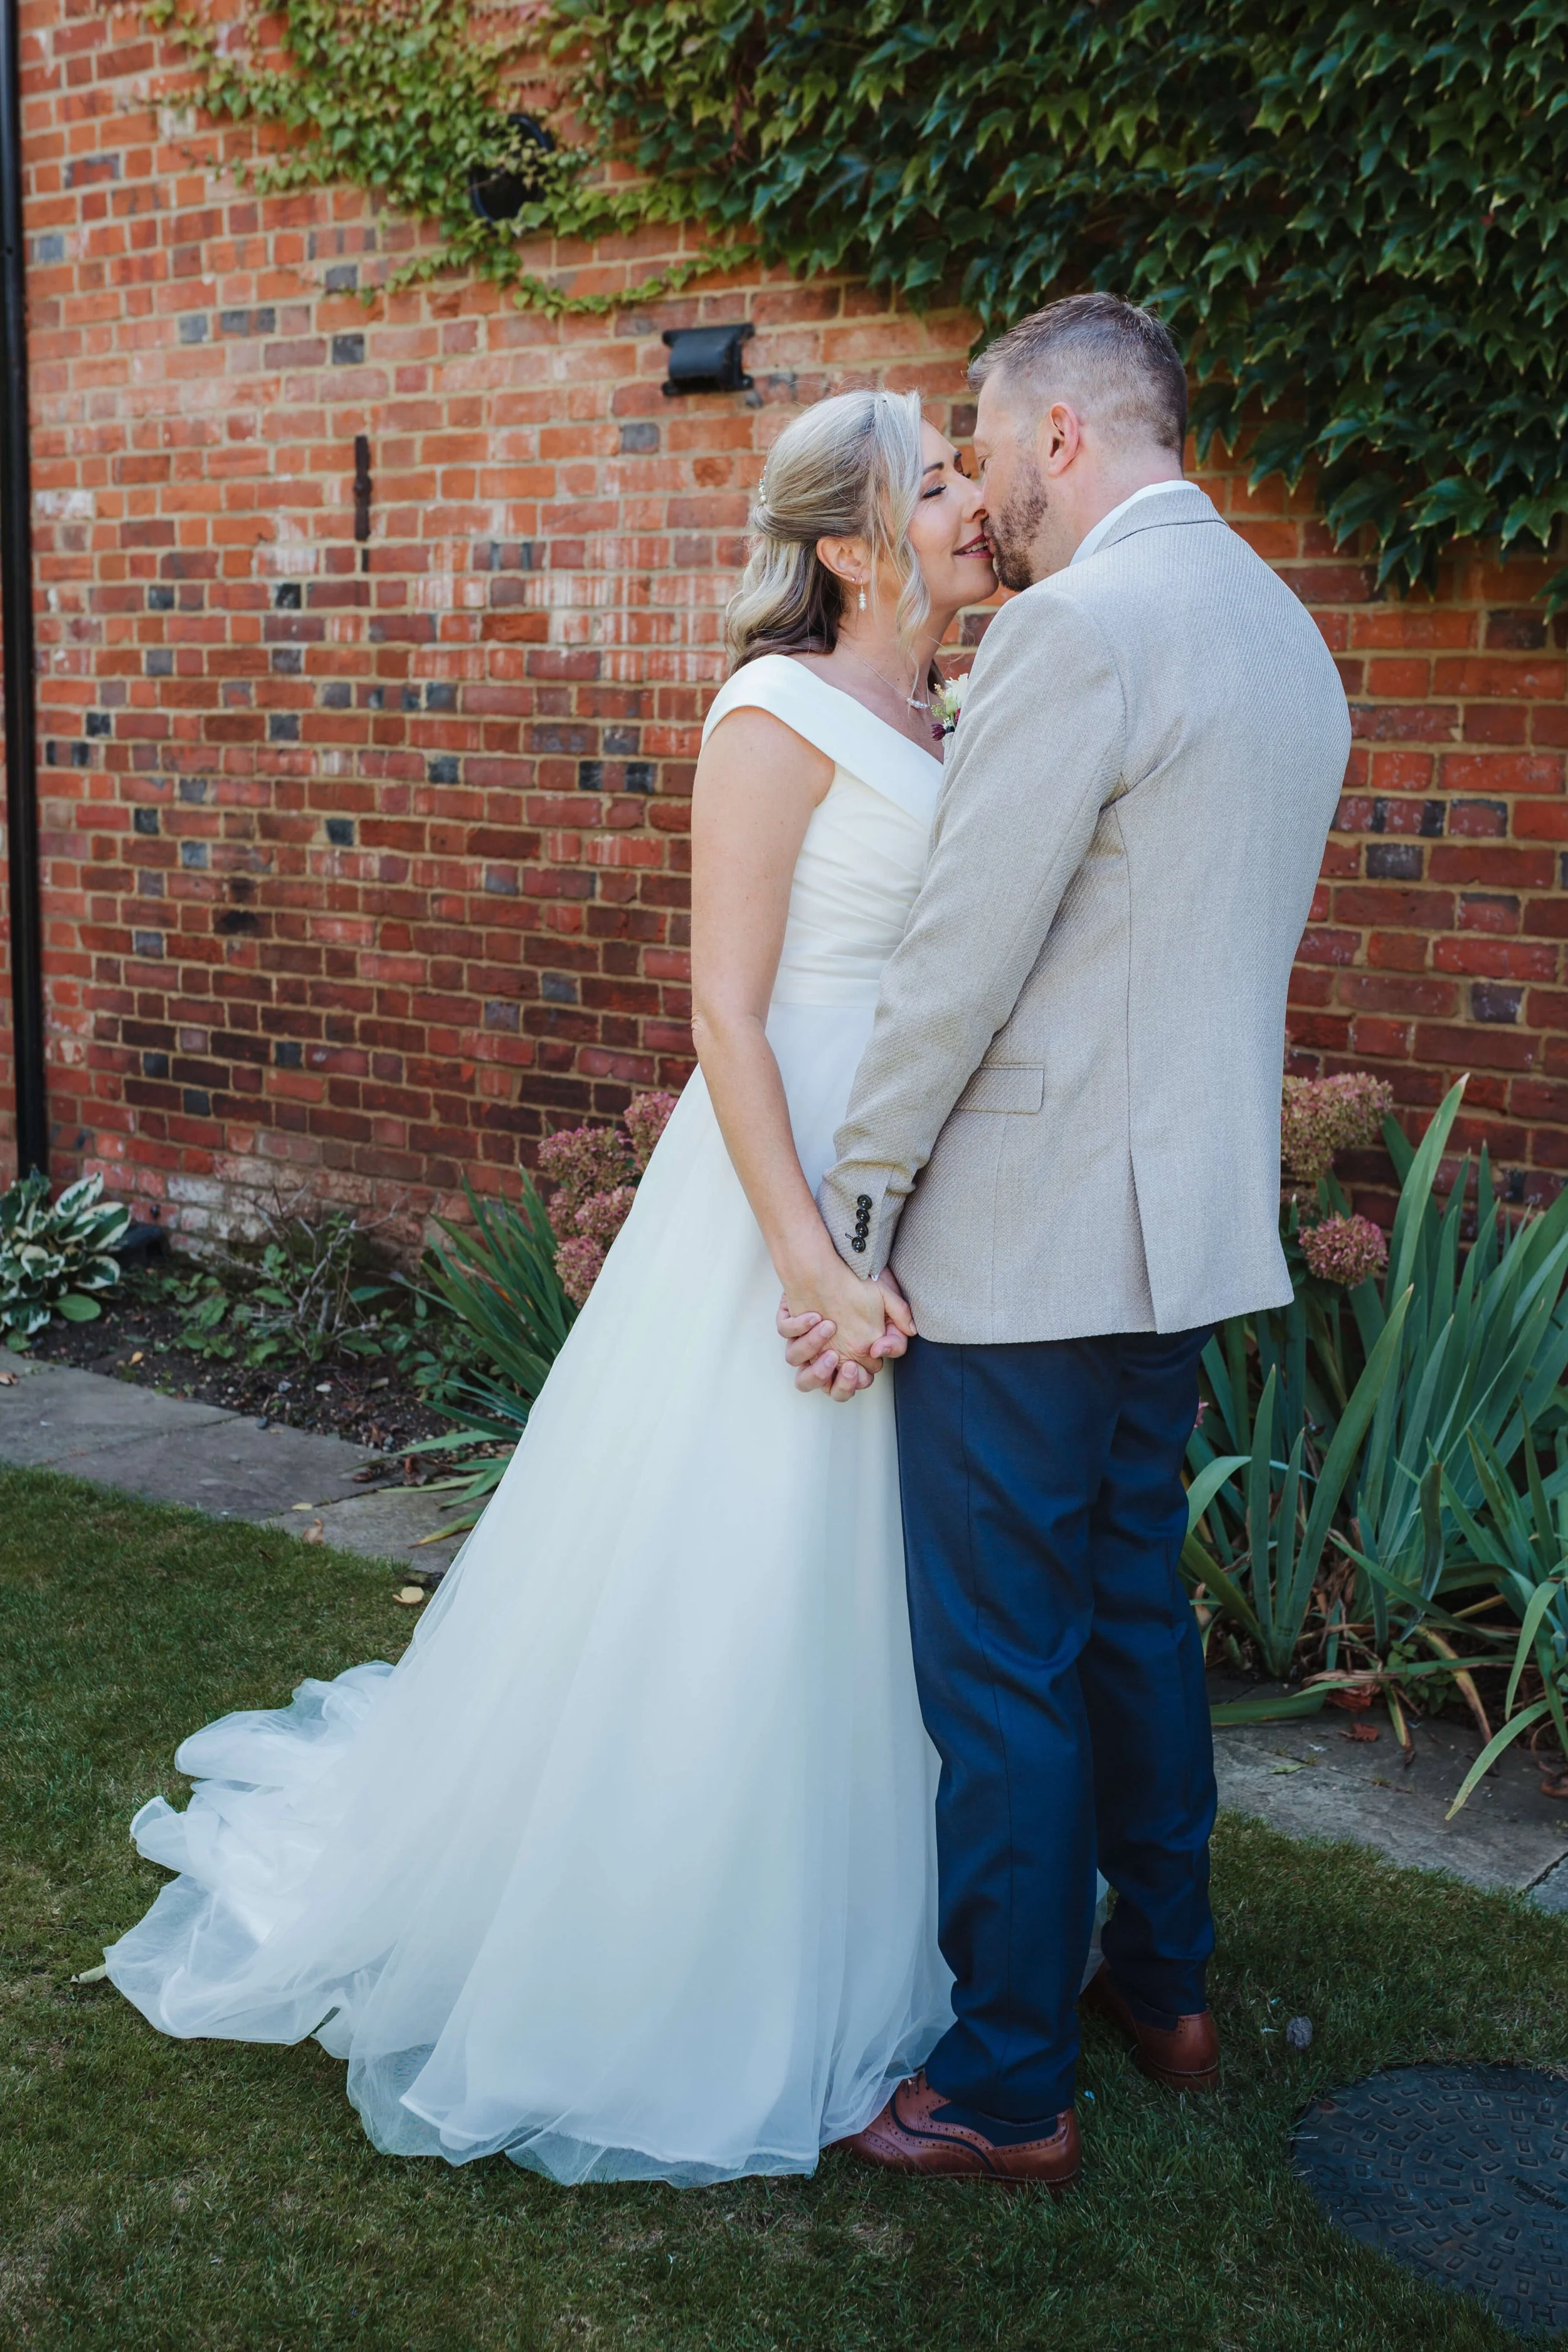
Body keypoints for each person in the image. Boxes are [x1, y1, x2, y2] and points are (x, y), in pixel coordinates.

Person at [103, 387, 1003, 2187]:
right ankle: (678, 1957)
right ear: (846, 541)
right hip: (775, 1179)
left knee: (876, 1582)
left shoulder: (957, 705)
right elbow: (723, 1015)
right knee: (743, 1551)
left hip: (916, 1174)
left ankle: (889, 1918)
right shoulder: (772, 711)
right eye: (938, 476)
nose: (971, 498)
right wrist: (810, 1255)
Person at [782, 293, 1350, 2183]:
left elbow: (956, 959)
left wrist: (849, 1215)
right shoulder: (1283, 630)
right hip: (1181, 1238)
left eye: (988, 441)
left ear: (1060, 438)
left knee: (998, 1665)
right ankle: (1165, 1984)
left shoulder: (1077, 634)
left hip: (1024, 1243)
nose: (983, 489)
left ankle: (1006, 2080)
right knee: (1127, 1613)